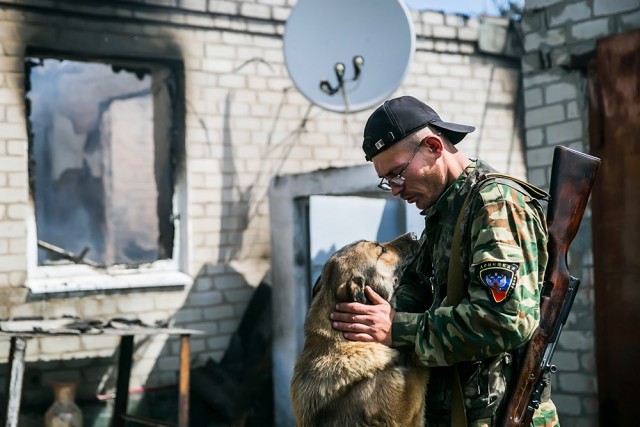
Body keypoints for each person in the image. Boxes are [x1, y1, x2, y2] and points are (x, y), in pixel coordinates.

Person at [329, 95, 559, 427]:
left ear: (434, 147)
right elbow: (419, 289)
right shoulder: (445, 212)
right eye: (387, 181)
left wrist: (397, 328)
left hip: (500, 418)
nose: (395, 189)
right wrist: (364, 311)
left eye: (397, 174)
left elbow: (505, 320)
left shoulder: (494, 205)